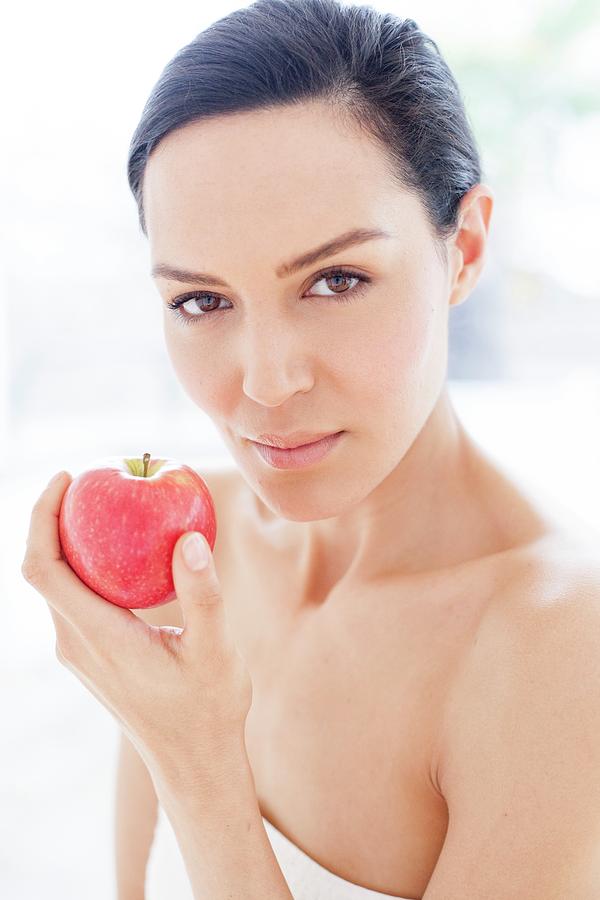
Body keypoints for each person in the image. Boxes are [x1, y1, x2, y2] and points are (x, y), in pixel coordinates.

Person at [115, 1, 600, 898]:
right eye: (201, 302)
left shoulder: (561, 646)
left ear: (466, 250)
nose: (264, 382)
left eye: (336, 280)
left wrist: (195, 762)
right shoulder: (194, 546)